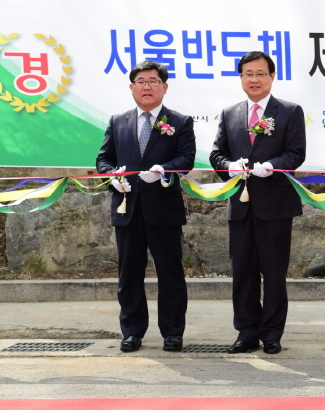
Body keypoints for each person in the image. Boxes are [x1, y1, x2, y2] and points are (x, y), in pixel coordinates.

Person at [209, 51, 306, 355]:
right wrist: (228, 166)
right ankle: (246, 332)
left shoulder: (289, 111)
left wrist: (272, 165)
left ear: (271, 77)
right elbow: (216, 155)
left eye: (260, 73)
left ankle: (272, 333)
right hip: (240, 204)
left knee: (274, 272)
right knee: (243, 271)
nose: (254, 79)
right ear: (241, 78)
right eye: (248, 74)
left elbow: (296, 154)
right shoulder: (229, 113)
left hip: (275, 204)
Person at [96, 59, 195, 353]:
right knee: (129, 274)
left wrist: (163, 169)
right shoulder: (117, 121)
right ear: (131, 88)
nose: (147, 86)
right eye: (141, 81)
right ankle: (132, 331)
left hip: (163, 210)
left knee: (170, 273)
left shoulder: (179, 122)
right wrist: (112, 177)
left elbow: (186, 160)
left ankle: (173, 333)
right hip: (127, 207)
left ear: (164, 87)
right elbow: (103, 160)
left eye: (153, 81)